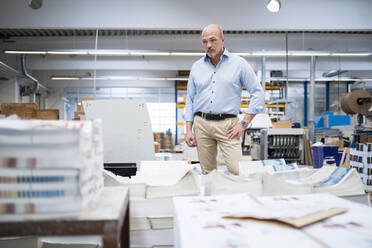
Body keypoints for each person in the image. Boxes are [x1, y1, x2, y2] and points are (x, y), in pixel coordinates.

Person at [185, 24, 265, 175]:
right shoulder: (196, 67)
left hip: (228, 126)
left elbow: (258, 93)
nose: (208, 45)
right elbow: (190, 99)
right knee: (208, 173)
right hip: (201, 124)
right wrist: (189, 130)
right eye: (204, 41)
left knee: (237, 171)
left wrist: (244, 123)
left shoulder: (239, 64)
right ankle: (213, 199)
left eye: (213, 40)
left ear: (223, 40)